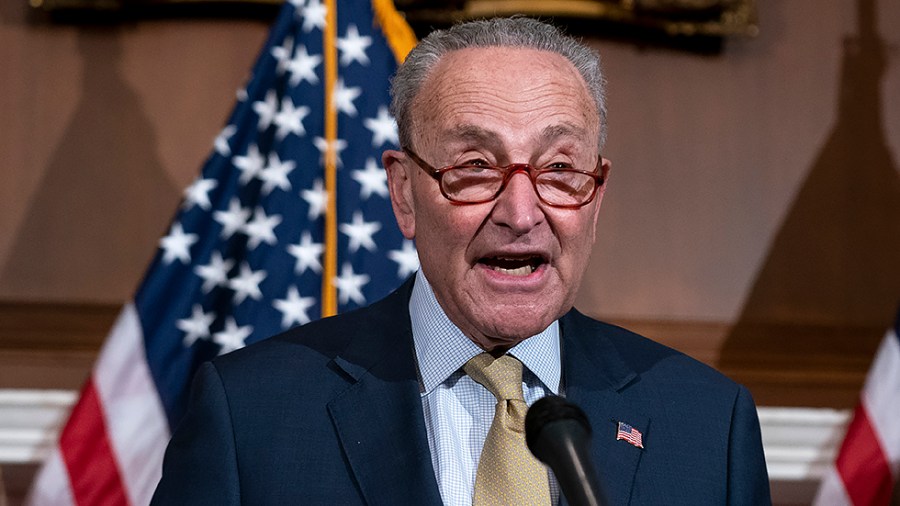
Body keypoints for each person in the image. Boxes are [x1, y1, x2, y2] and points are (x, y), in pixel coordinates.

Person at [151, 17, 771, 505]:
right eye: (476, 168)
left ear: (597, 193)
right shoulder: (251, 415)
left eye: (559, 169)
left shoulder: (707, 426)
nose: (521, 211)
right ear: (404, 194)